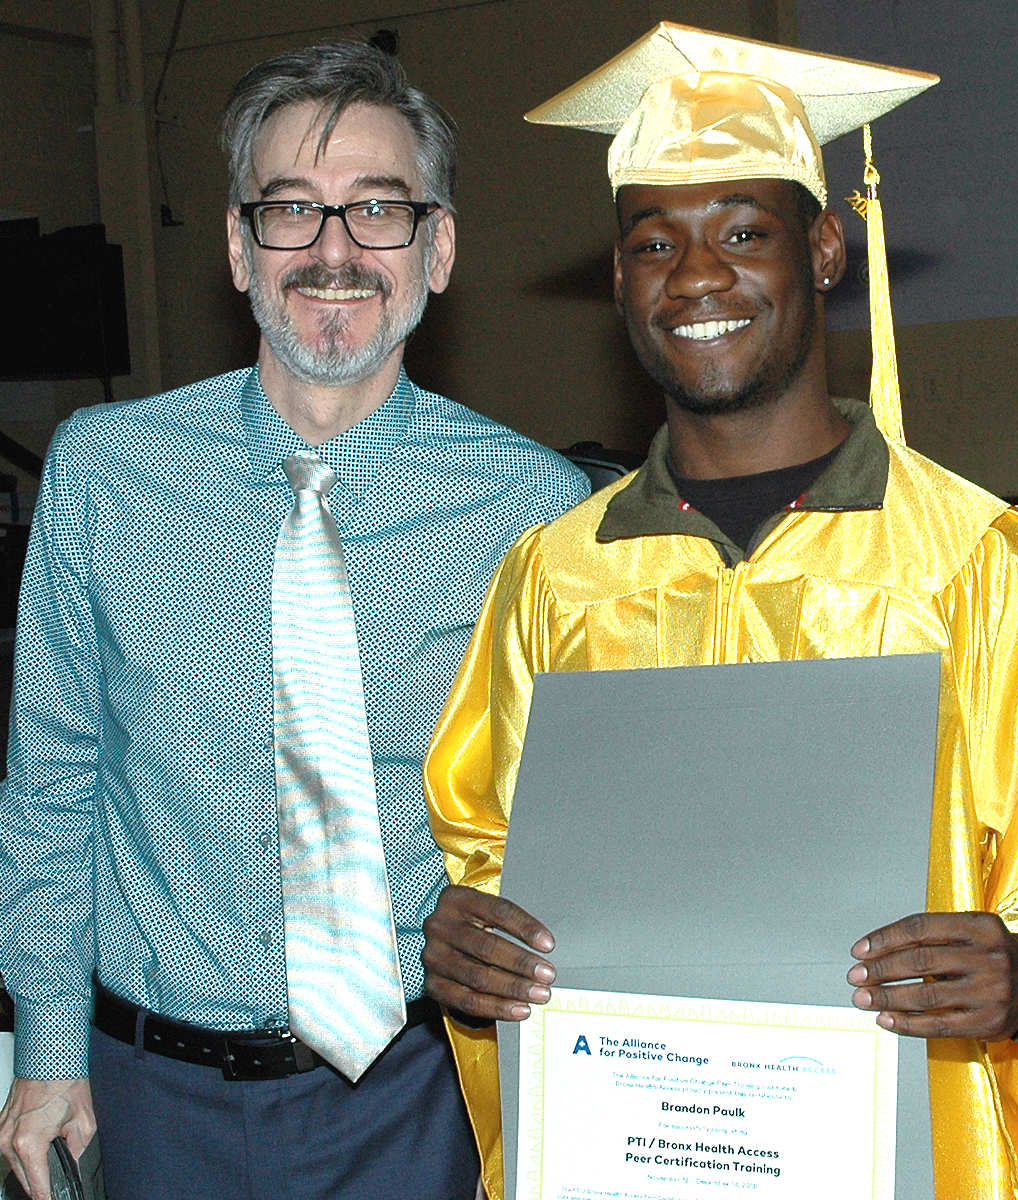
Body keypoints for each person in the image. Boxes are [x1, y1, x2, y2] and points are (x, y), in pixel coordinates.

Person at [421, 23, 1018, 1200]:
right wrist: (467, 940)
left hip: (913, 1150)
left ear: (826, 247)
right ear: (620, 280)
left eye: (743, 231)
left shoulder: (980, 561)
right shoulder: (555, 579)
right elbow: (488, 850)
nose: (696, 277)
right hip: (639, 1149)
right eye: (654, 243)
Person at [0, 42, 588, 1200]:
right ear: (236, 247)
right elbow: (53, 784)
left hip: (423, 1097)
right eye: (290, 211)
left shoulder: (533, 511)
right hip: (150, 1097)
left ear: (440, 247)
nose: (333, 250)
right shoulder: (106, 474)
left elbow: (565, 831)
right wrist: (48, 1049)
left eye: (378, 209)